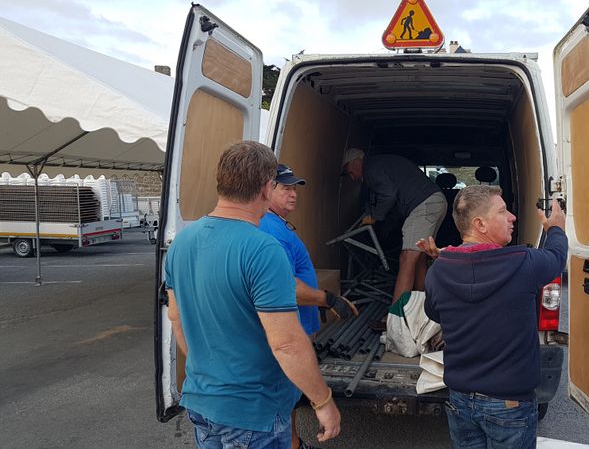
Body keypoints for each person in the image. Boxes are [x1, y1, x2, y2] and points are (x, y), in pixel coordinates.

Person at [165, 141, 341, 448]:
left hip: (201, 401)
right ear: (266, 187)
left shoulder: (182, 242)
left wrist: (209, 376)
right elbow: (286, 343)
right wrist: (323, 401)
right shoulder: (262, 249)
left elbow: (176, 316)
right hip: (252, 413)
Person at [422, 185, 567, 449]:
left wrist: (447, 258)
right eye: (503, 211)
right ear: (480, 224)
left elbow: (434, 312)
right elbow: (557, 257)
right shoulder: (523, 263)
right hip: (510, 404)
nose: (512, 217)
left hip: (460, 400)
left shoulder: (438, 270)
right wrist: (555, 228)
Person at [259, 163, 358, 449]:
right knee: (281, 396)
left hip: (296, 326)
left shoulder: (276, 224)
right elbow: (284, 285)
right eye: (285, 188)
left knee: (287, 397)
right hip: (289, 330)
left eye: (295, 189)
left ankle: (292, 442)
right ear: (267, 190)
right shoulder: (269, 228)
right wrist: (326, 299)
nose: (293, 194)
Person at [341, 148, 446, 302]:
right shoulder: (381, 164)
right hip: (435, 201)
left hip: (423, 204)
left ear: (356, 161)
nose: (353, 177)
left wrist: (375, 217)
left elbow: (388, 194)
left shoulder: (371, 168)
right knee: (419, 257)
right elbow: (395, 201)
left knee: (407, 258)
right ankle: (421, 305)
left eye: (350, 172)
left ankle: (396, 311)